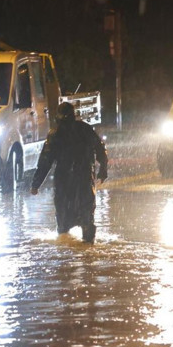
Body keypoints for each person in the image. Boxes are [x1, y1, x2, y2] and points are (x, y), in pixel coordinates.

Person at [30, 102, 108, 243]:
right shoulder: (86, 129)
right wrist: (103, 172)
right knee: (87, 218)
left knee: (63, 221)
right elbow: (101, 150)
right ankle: (89, 255)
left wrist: (36, 184)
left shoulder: (55, 134)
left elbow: (45, 162)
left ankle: (65, 257)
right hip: (85, 180)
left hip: (64, 182)